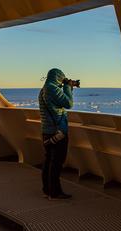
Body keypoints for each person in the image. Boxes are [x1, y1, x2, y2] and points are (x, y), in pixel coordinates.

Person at [39, 68, 75, 200]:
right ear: (58, 77)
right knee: (57, 163)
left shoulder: (43, 89)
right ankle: (54, 193)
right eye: (62, 78)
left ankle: (47, 190)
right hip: (58, 132)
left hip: (46, 131)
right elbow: (69, 104)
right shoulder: (52, 89)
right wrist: (68, 87)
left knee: (48, 161)